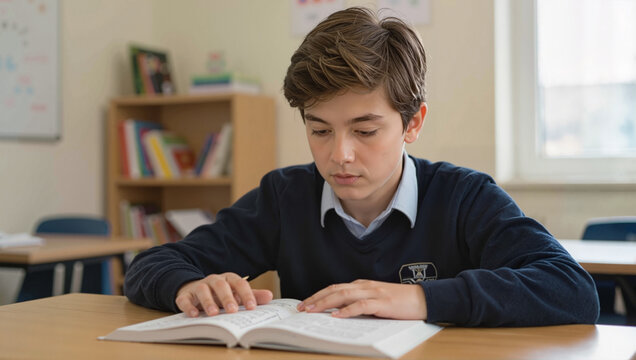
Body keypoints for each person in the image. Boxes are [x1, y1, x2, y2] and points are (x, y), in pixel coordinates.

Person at [124, 7, 599, 326]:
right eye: (320, 130)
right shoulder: (285, 197)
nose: (340, 155)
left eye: (365, 131)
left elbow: (572, 290)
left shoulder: (464, 198)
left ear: (412, 123)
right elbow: (149, 266)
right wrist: (189, 284)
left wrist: (420, 299)